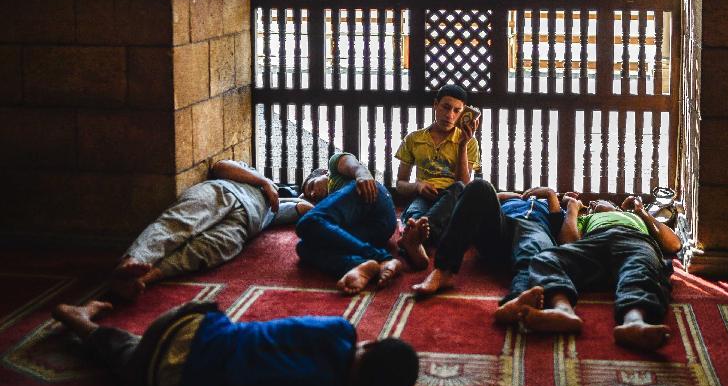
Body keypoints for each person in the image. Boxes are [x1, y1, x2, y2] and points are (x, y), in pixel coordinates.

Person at [51, 300, 419, 386]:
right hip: (169, 376)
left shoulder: (339, 330)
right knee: (130, 356)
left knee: (138, 349)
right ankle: (85, 324)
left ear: (370, 347)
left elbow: (282, 327)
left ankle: (78, 317)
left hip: (188, 321)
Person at [502, 195, 682, 352]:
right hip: (594, 243)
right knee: (545, 258)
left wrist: (641, 212)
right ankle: (562, 311)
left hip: (635, 242)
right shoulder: (587, 219)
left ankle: (634, 322)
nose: (593, 203)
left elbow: (673, 244)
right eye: (591, 205)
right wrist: (572, 209)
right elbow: (568, 242)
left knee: (640, 270)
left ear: (615, 206)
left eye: (599, 201)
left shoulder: (634, 217)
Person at [110, 160, 310, 301]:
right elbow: (220, 166)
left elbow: (303, 209)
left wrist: (313, 202)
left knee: (206, 251)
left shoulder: (274, 210)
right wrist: (263, 182)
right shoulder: (252, 174)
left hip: (243, 225)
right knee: (178, 224)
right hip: (223, 193)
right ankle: (133, 260)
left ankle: (142, 278)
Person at [411, 180, 568, 317]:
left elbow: (556, 226)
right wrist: (501, 196)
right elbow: (480, 210)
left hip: (534, 229)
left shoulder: (548, 205)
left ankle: (518, 298)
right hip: (502, 231)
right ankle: (443, 270)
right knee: (480, 186)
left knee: (532, 246)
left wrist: (549, 193)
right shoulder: (508, 202)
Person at [394, 84, 480, 270]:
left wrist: (462, 145)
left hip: (452, 199)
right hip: (424, 196)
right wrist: (418, 186)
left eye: (457, 111)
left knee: (458, 189)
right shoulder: (414, 139)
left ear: (463, 113)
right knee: (415, 215)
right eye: (446, 107)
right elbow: (400, 184)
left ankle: (414, 242)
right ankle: (419, 240)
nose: (450, 115)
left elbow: (464, 184)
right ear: (435, 105)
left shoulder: (468, 142)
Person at [296, 152, 403, 295]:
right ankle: (363, 264)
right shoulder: (333, 206)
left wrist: (362, 173)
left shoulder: (333, 168)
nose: (314, 194)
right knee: (304, 247)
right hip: (378, 229)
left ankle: (381, 257)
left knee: (307, 223)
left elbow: (351, 162)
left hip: (371, 196)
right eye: (311, 196)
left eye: (311, 186)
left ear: (324, 173)